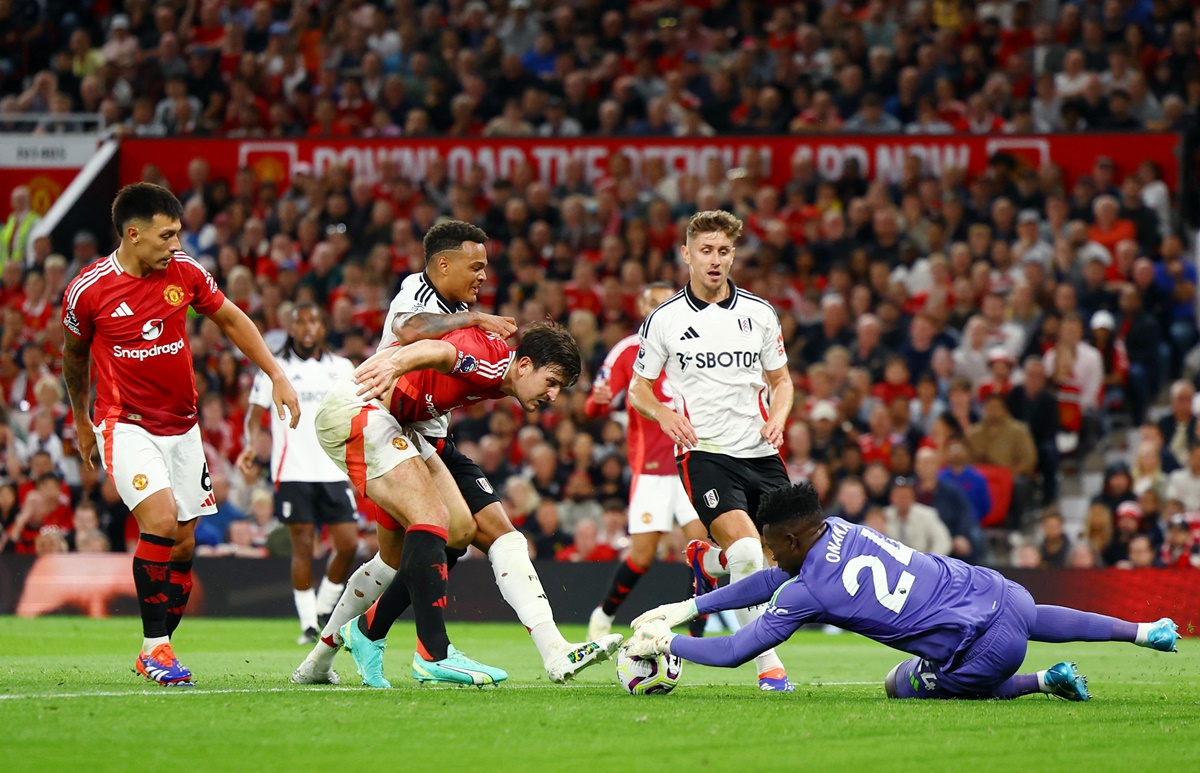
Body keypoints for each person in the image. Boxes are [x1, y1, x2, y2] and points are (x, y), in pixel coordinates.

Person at [293, 221, 620, 686]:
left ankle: (333, 653)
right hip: (363, 409)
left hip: (412, 430)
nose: (484, 276)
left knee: (444, 537)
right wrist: (398, 363)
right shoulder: (465, 334)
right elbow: (425, 343)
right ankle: (434, 653)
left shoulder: (462, 316)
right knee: (434, 521)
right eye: (550, 383)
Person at [626, 482, 1179, 701]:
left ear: (791, 537)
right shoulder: (838, 527)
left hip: (984, 652)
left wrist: (665, 643)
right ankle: (1140, 631)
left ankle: (1039, 681)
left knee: (899, 685)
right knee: (1031, 614)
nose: (770, 557)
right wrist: (688, 606)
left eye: (773, 546)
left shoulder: (808, 589)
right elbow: (778, 577)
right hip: (995, 592)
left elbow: (733, 651)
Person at [61, 182, 301, 686]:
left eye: (178, 234)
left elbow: (232, 320)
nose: (175, 244)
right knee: (162, 520)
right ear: (133, 234)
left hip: (183, 427)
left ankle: (161, 643)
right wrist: (83, 419)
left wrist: (277, 374)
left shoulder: (185, 273)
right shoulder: (89, 290)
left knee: (185, 544)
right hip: (125, 424)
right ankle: (155, 649)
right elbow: (75, 356)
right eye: (166, 235)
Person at [628, 209, 796, 691]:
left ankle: (709, 562)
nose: (715, 260)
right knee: (746, 549)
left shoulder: (760, 314)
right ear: (687, 255)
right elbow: (639, 390)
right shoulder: (665, 320)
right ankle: (769, 668)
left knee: (784, 560)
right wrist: (665, 414)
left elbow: (781, 381)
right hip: (705, 454)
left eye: (723, 251)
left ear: (733, 254)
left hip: (761, 453)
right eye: (706, 251)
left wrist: (779, 418)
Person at [584, 283, 709, 640]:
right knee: (642, 556)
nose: (661, 309)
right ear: (642, 306)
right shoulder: (627, 351)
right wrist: (600, 399)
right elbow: (592, 408)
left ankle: (698, 634)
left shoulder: (694, 345)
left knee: (700, 549)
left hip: (693, 462)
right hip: (652, 470)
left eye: (667, 303)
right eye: (654, 303)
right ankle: (604, 614)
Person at [238, 302, 358, 646]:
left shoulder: (342, 368)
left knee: (348, 544)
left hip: (334, 469)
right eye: (301, 322)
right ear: (292, 328)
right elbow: (254, 415)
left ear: (323, 328)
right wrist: (250, 444)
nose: (307, 327)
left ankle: (323, 610)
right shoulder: (274, 370)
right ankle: (308, 624)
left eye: (314, 321)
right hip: (292, 471)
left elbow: (358, 410)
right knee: (302, 547)